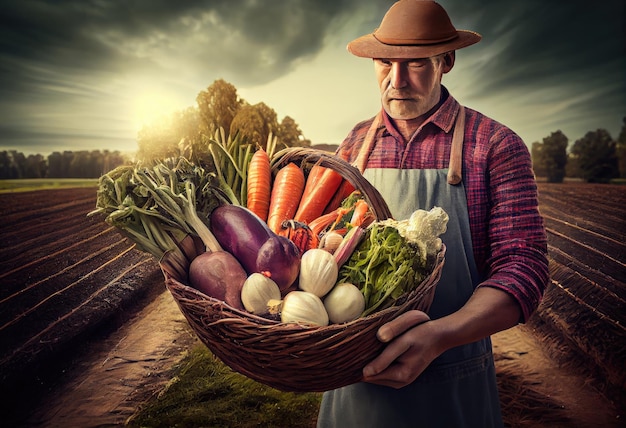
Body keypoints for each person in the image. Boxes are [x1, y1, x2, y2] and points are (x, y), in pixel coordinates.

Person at [316, 1, 549, 427]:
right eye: (385, 62)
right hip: (355, 381)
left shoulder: (494, 145)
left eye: (416, 64)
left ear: (447, 61)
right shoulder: (354, 146)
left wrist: (440, 336)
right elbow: (323, 252)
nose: (396, 79)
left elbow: (524, 267)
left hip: (452, 377)